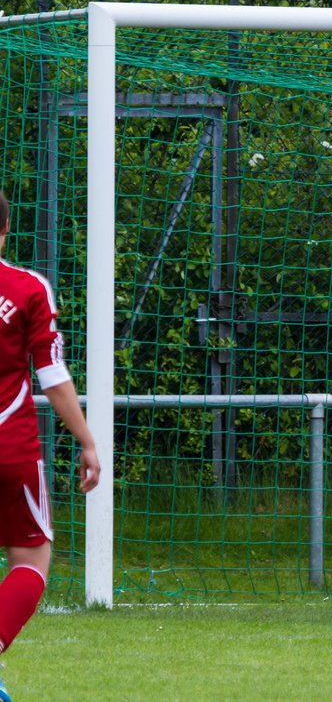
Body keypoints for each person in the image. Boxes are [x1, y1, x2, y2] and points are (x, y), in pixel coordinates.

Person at [0, 192, 100, 702]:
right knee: (31, 558)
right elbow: (52, 374)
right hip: (10, 445)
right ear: (5, 229)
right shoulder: (27, 287)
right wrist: (86, 441)